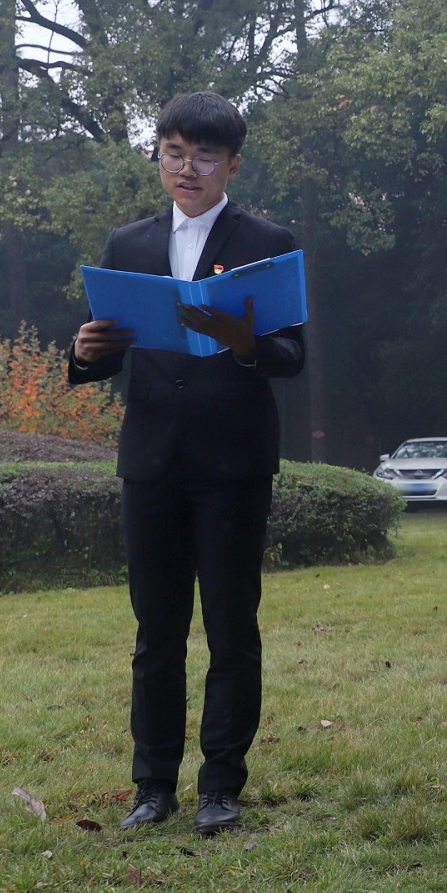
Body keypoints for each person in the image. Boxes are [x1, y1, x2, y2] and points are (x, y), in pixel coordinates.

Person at [68, 91, 305, 836]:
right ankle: (152, 786)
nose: (187, 169)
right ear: (158, 157)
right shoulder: (129, 243)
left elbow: (292, 355)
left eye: (204, 156)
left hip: (233, 461)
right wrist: (83, 351)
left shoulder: (266, 240)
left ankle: (221, 786)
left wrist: (244, 342)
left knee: (231, 629)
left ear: (232, 163)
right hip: (151, 460)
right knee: (156, 632)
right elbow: (104, 351)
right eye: (174, 153)